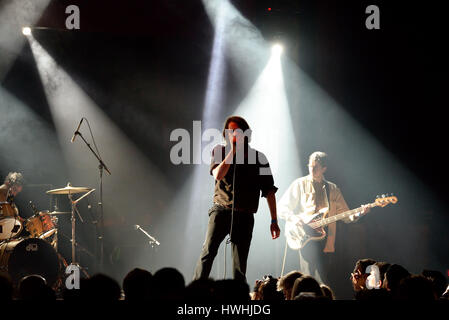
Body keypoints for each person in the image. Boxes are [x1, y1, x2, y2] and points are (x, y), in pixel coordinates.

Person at [193, 116, 280, 283]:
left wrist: (274, 220)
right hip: (221, 210)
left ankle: (237, 298)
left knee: (240, 263)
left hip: (245, 215)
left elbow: (269, 191)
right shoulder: (219, 151)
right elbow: (218, 174)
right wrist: (233, 152)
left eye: (237, 131)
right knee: (208, 252)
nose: (233, 134)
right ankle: (196, 291)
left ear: (245, 133)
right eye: (230, 131)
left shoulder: (259, 158)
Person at [277, 152, 369, 292]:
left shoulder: (332, 188)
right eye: (310, 166)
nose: (312, 170)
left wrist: (360, 213)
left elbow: (346, 215)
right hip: (305, 237)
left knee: (323, 282)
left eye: (316, 167)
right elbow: (282, 207)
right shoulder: (300, 184)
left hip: (326, 241)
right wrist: (295, 218)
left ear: (324, 168)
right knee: (306, 281)